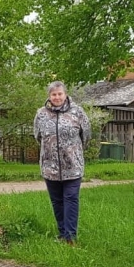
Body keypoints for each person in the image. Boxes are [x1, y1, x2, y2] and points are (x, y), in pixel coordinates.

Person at [34, 81, 91, 244]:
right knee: (57, 201)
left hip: (72, 166)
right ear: (49, 96)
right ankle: (62, 232)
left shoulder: (77, 112)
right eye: (54, 94)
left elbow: (86, 136)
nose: (57, 97)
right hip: (50, 167)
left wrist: (73, 151)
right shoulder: (41, 114)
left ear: (65, 94)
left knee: (71, 198)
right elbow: (38, 136)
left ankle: (70, 236)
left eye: (60, 94)